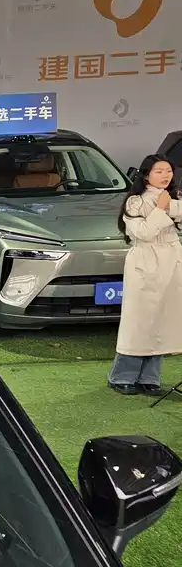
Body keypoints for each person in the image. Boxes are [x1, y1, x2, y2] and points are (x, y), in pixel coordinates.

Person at [108, 154, 182, 396]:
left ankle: (150, 377)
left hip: (172, 262)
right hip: (145, 262)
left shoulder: (174, 197)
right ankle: (122, 376)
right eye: (159, 171)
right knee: (139, 320)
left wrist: (169, 206)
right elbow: (144, 232)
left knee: (163, 319)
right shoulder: (135, 202)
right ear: (146, 174)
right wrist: (161, 209)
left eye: (168, 171)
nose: (165, 175)